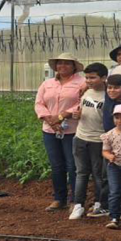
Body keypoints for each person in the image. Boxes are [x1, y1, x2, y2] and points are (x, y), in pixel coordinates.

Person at [34, 53, 85, 211]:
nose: (63, 66)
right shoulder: (47, 84)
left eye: (67, 63)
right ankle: (59, 198)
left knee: (72, 165)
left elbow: (82, 103)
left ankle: (75, 200)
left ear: (74, 67)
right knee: (56, 165)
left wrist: (62, 116)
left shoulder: (82, 83)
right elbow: (39, 103)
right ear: (55, 66)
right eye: (60, 63)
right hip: (50, 130)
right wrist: (50, 119)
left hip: (72, 130)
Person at [69, 62, 110, 220]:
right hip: (80, 137)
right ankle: (78, 205)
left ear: (104, 78)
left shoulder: (108, 96)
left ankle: (99, 203)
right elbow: (81, 110)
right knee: (81, 172)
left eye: (93, 78)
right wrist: (77, 115)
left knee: (98, 174)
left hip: (98, 140)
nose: (88, 81)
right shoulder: (86, 92)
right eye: (87, 78)